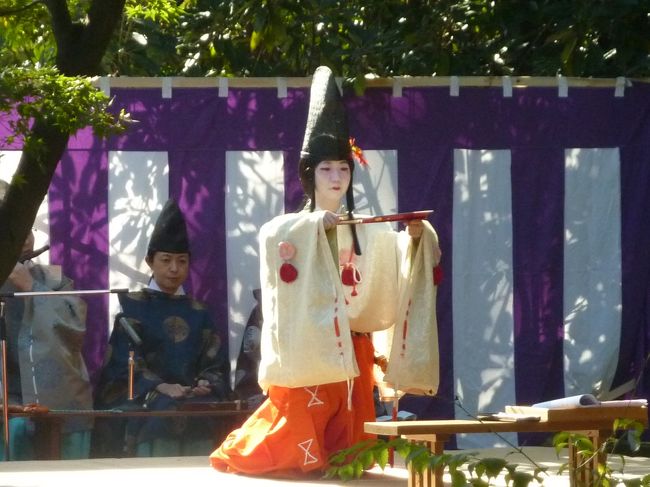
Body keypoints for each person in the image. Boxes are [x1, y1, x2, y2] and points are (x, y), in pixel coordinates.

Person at [210, 66, 442, 477]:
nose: (336, 177)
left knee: (350, 440)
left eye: (343, 169)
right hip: (310, 344)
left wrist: (415, 239)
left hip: (352, 346)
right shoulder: (292, 227)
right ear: (308, 174)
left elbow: (390, 259)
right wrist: (316, 226)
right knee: (294, 440)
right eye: (326, 169)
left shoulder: (362, 228)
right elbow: (272, 238)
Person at [93, 199, 232, 457]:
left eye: (181, 261)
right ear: (150, 261)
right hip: (148, 398)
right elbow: (123, 364)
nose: (174, 269)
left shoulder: (199, 312)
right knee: (165, 407)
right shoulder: (132, 308)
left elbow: (215, 363)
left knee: (207, 410)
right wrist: (161, 386)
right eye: (166, 260)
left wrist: (206, 382)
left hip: (192, 396)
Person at [0, 179, 93, 460]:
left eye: (26, 227)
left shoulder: (52, 280)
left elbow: (74, 328)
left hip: (48, 403)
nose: (24, 236)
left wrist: (32, 288)